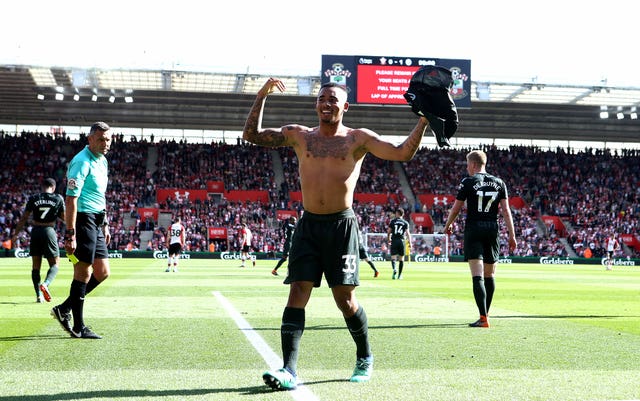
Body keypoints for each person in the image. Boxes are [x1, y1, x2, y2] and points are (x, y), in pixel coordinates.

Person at [243, 78, 429, 390]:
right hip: (309, 225)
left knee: (345, 299)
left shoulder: (358, 139)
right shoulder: (299, 135)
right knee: (298, 291)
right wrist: (262, 95)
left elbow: (401, 153)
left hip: (342, 226)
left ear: (345, 106)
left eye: (333, 100)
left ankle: (365, 356)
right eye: (322, 99)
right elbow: (252, 135)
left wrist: (423, 120)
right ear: (316, 104)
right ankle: (288, 369)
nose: (326, 104)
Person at [51, 122, 113, 339]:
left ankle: (64, 308)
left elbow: (101, 195)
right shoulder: (81, 161)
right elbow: (70, 198)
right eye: (101, 139)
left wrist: (105, 223)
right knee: (84, 272)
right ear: (90, 139)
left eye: (108, 139)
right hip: (83, 219)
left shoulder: (103, 161)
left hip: (97, 220)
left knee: (102, 271)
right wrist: (70, 233)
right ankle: (78, 326)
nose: (105, 143)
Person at [443, 149, 517, 328]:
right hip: (492, 228)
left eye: (468, 164)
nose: (467, 168)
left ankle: (483, 317)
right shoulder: (500, 183)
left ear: (474, 164)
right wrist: (512, 235)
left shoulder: (468, 182)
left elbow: (456, 208)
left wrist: (448, 225)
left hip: (474, 228)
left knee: (477, 274)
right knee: (490, 275)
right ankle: (486, 315)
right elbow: (506, 211)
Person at [11, 178, 65, 303]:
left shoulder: (34, 198)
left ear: (42, 187)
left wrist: (15, 235)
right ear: (54, 187)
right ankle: (46, 284)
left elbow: (24, 218)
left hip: (35, 232)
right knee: (55, 263)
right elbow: (65, 218)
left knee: (36, 266)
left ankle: (38, 296)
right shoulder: (57, 198)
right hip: (49, 231)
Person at [387, 208, 411, 280]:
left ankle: (394, 269)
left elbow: (389, 232)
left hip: (394, 240)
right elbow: (408, 234)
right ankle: (400, 275)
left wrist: (389, 239)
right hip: (401, 241)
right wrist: (410, 243)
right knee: (401, 258)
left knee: (393, 257)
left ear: (397, 213)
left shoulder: (393, 221)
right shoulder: (405, 223)